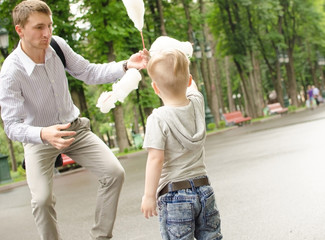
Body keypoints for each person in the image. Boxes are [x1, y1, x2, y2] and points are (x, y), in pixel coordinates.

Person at [0, 1, 148, 239]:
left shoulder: (57, 46)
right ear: (20, 30)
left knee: (114, 173)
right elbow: (12, 126)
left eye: (49, 25)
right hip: (39, 140)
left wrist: (126, 65)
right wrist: (43, 134)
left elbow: (88, 72)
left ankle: (100, 236)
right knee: (41, 200)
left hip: (75, 129)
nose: (47, 33)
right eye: (39, 27)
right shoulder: (11, 72)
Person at [141, 49, 222, 240]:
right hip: (204, 189)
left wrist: (149, 195)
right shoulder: (197, 102)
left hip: (175, 196)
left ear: (155, 88)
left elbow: (155, 159)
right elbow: (191, 84)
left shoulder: (158, 119)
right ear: (188, 80)